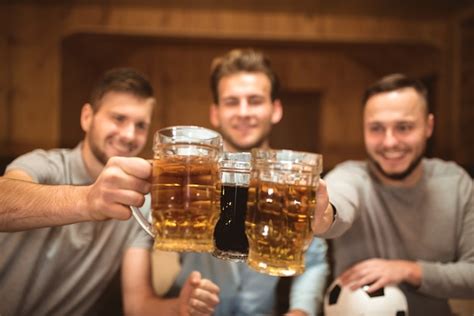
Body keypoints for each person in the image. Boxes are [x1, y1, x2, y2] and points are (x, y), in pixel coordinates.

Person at [0, 68, 219, 316]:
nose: (128, 135)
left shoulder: (139, 201)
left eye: (140, 126)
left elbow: (137, 306)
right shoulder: (47, 165)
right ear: (86, 117)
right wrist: (87, 200)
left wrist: (178, 308)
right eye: (118, 118)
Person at [153, 48, 331, 316]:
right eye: (232, 101)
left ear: (276, 109)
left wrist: (300, 311)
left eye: (255, 100)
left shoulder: (293, 181)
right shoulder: (190, 174)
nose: (244, 112)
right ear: (216, 113)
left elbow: (315, 260)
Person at [316, 74, 474, 315]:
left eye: (404, 127)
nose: (390, 142)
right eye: (376, 128)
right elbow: (337, 203)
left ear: (428, 126)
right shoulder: (350, 176)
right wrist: (322, 215)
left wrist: (408, 270)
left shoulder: (456, 184)